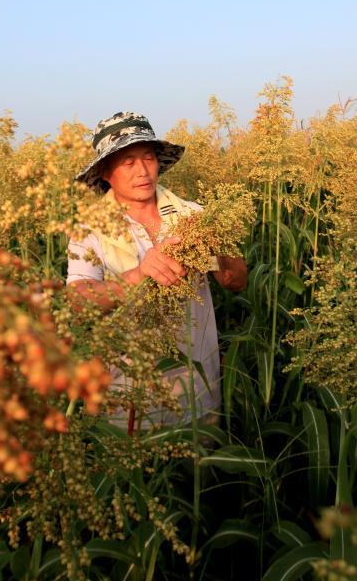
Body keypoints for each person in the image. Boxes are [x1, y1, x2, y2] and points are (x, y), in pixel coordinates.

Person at [66, 111, 247, 427]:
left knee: (200, 473)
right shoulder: (89, 230)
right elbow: (79, 302)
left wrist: (218, 248)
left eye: (147, 157)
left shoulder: (193, 216)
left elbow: (236, 281)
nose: (142, 171)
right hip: (129, 401)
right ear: (106, 172)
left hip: (198, 390)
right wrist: (137, 276)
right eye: (128, 162)